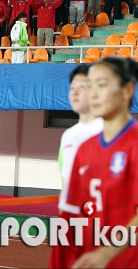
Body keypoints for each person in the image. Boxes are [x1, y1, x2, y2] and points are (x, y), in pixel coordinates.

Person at [52, 57, 138, 268]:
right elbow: (75, 211)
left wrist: (105, 254)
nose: (93, 93)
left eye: (102, 85)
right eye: (91, 85)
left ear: (127, 91)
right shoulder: (85, 148)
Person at [55, 65, 104, 215]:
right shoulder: (68, 137)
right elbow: (66, 182)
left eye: (81, 87)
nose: (75, 92)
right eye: (72, 87)